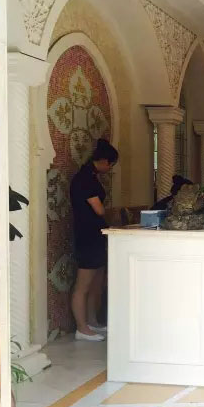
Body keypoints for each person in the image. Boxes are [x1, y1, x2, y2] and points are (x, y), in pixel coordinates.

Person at [69, 139, 118, 342]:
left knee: (96, 282)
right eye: (111, 164)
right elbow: (98, 209)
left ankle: (92, 322)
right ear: (104, 161)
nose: (110, 168)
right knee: (83, 284)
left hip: (95, 235)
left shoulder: (90, 176)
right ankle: (82, 328)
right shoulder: (84, 179)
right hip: (87, 236)